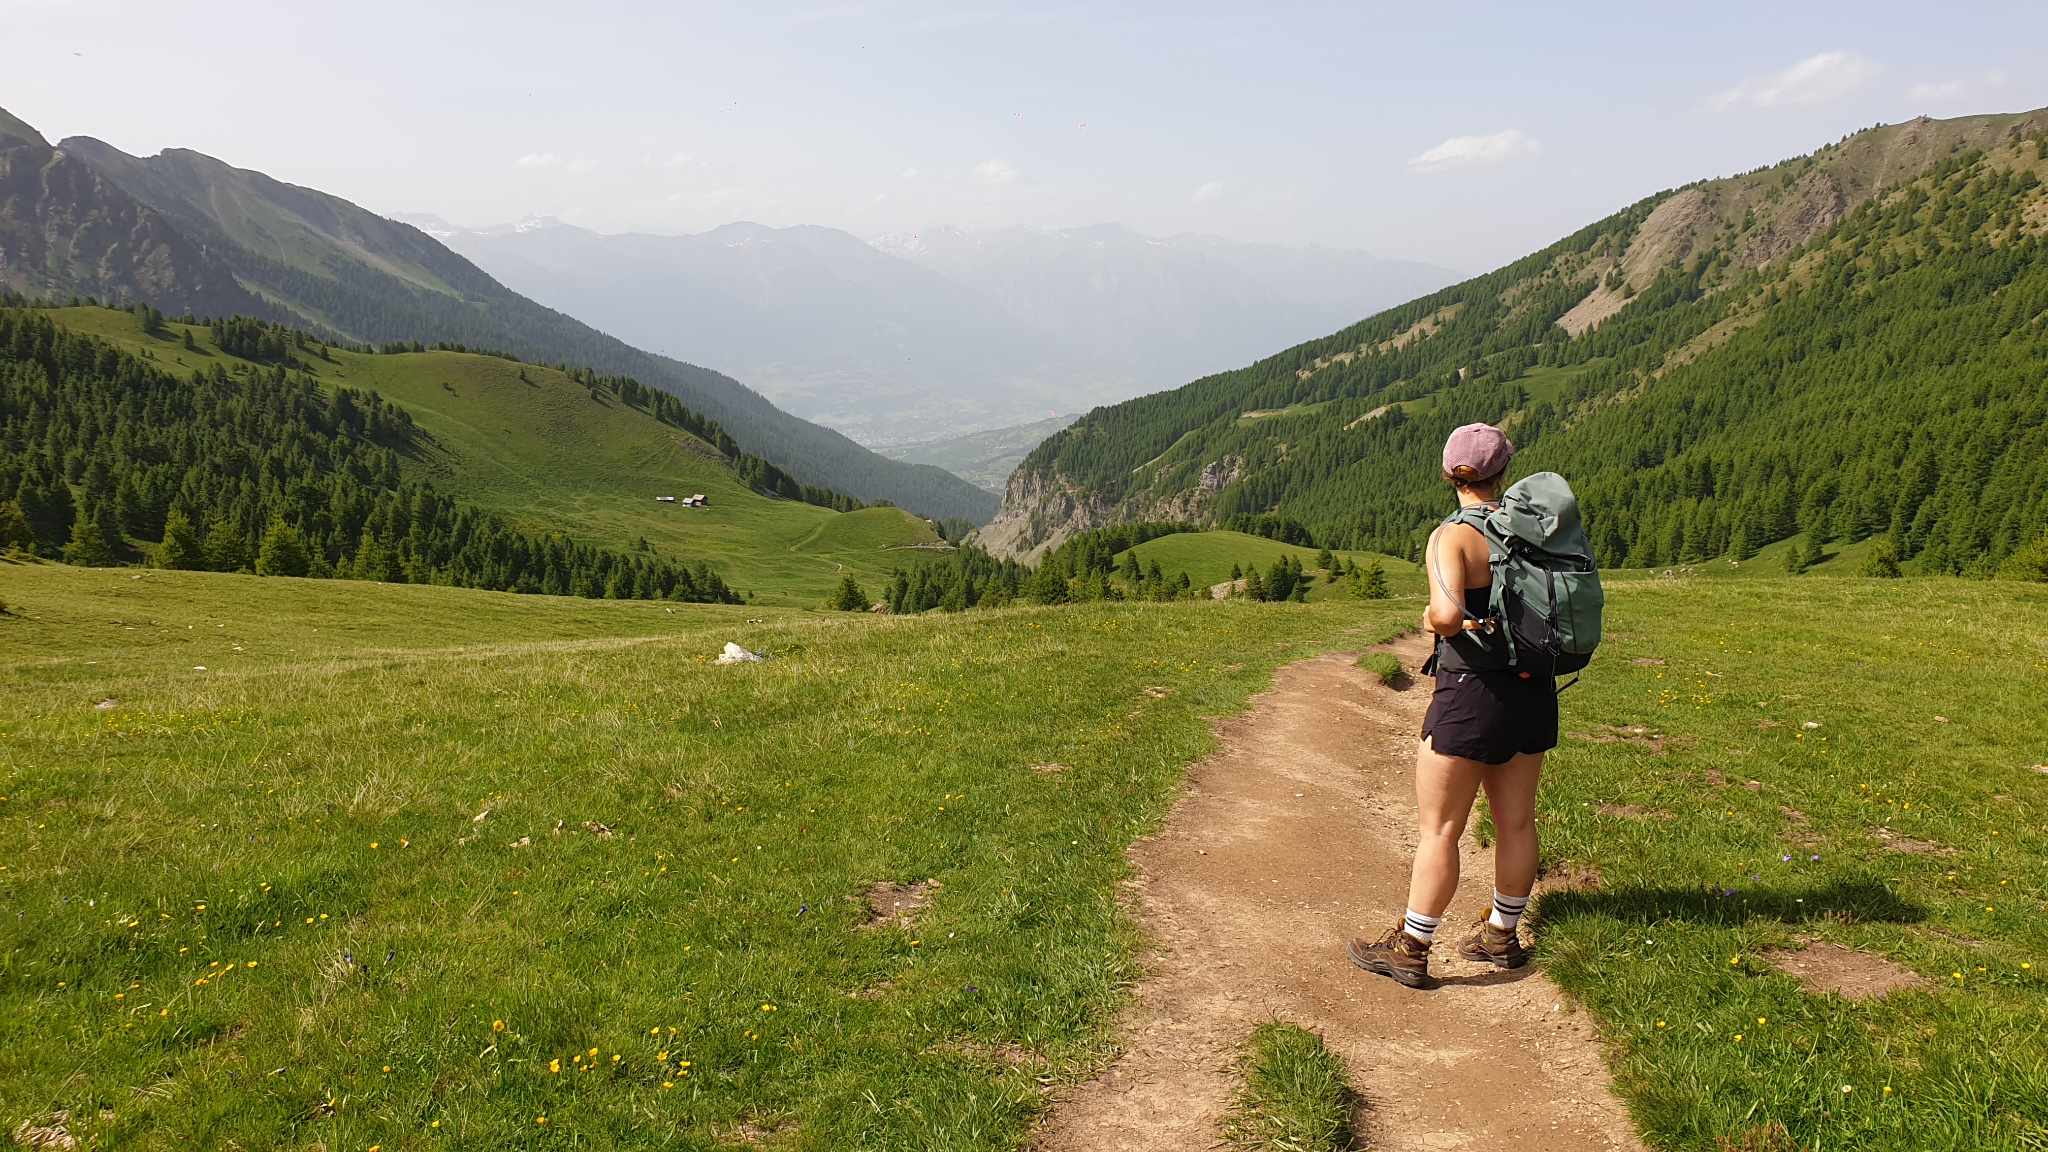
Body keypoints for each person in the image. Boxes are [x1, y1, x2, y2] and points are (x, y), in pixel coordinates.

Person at [1347, 423, 1556, 989]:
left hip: (1471, 693)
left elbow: (1444, 616)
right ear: (1503, 472)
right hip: (1534, 689)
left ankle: (1412, 947)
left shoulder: (1453, 535)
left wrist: (1433, 619)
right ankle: (1501, 936)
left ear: (1449, 474)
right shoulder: (1533, 530)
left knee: (1440, 829)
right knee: (1517, 820)